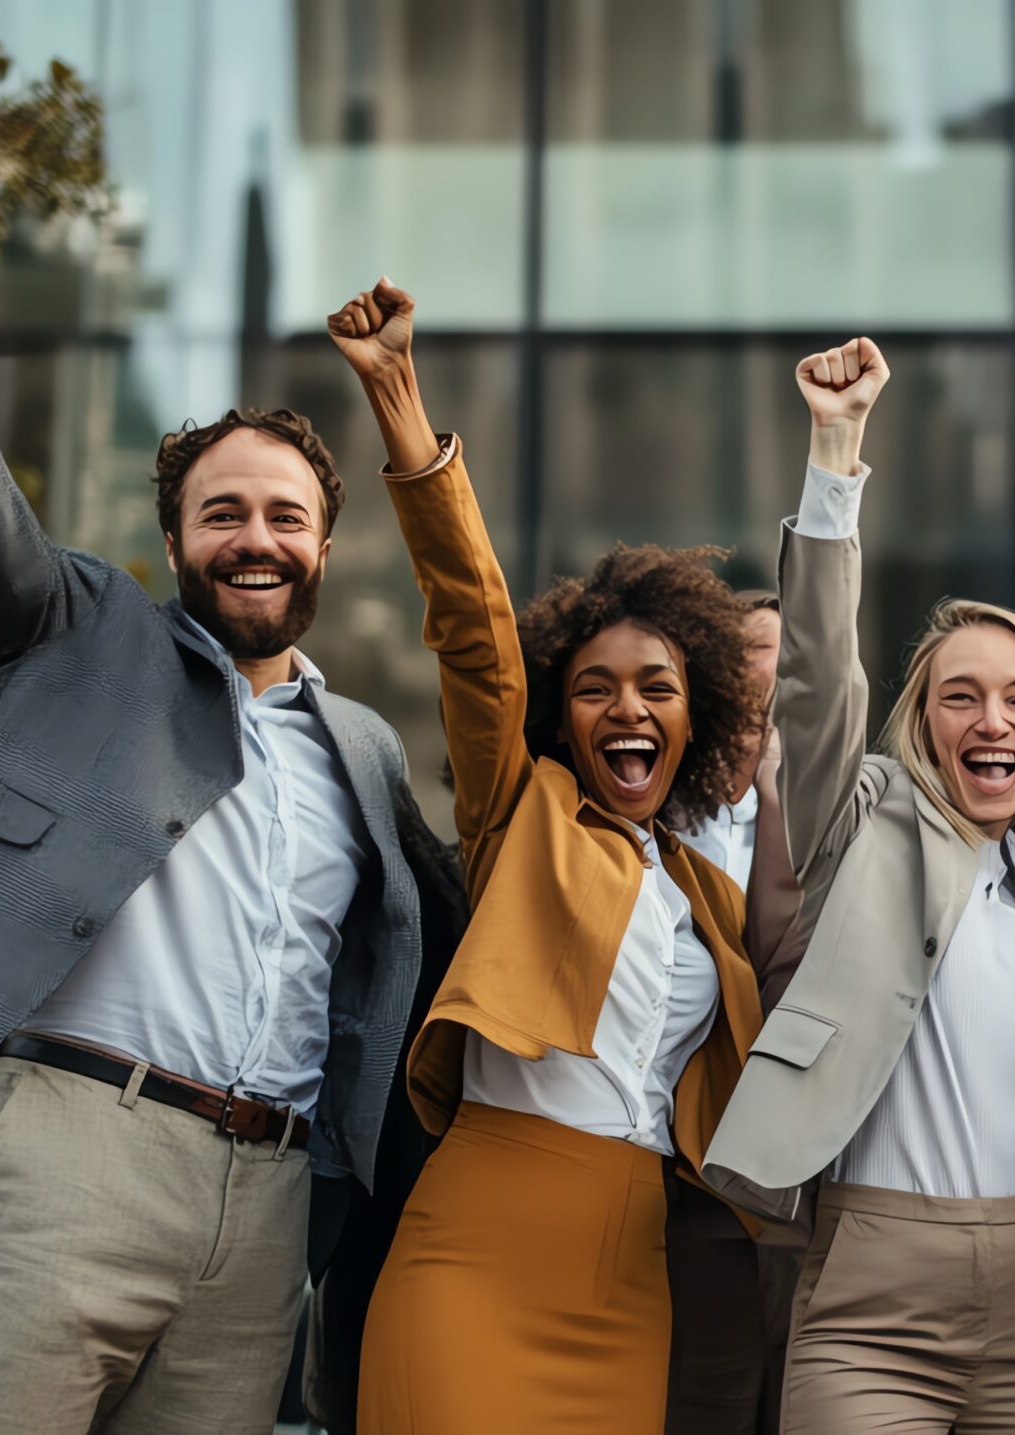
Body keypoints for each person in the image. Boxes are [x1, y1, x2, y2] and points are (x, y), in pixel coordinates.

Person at [0, 91, 436, 1434]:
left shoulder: (368, 752)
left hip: (265, 1206)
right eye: (224, 512)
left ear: (327, 547)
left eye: (285, 514)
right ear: (175, 540)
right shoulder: (77, 632)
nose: (255, 536)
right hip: (70, 1149)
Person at [330, 280, 771, 1433]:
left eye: (657, 688)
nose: (626, 707)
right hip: (478, 1245)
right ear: (561, 718)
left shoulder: (712, 897)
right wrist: (398, 400)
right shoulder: (521, 816)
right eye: (594, 688)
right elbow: (474, 636)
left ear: (698, 719)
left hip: (633, 1275)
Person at [702, 338, 1015, 1433]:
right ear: (919, 722)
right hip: (869, 1293)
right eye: (960, 697)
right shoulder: (866, 828)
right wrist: (835, 448)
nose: (991, 721)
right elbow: (813, 683)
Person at [665, 591, 806, 1435]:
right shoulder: (648, 815)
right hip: (682, 1199)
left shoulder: (846, 818)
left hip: (804, 1208)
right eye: (756, 651)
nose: (776, 674)